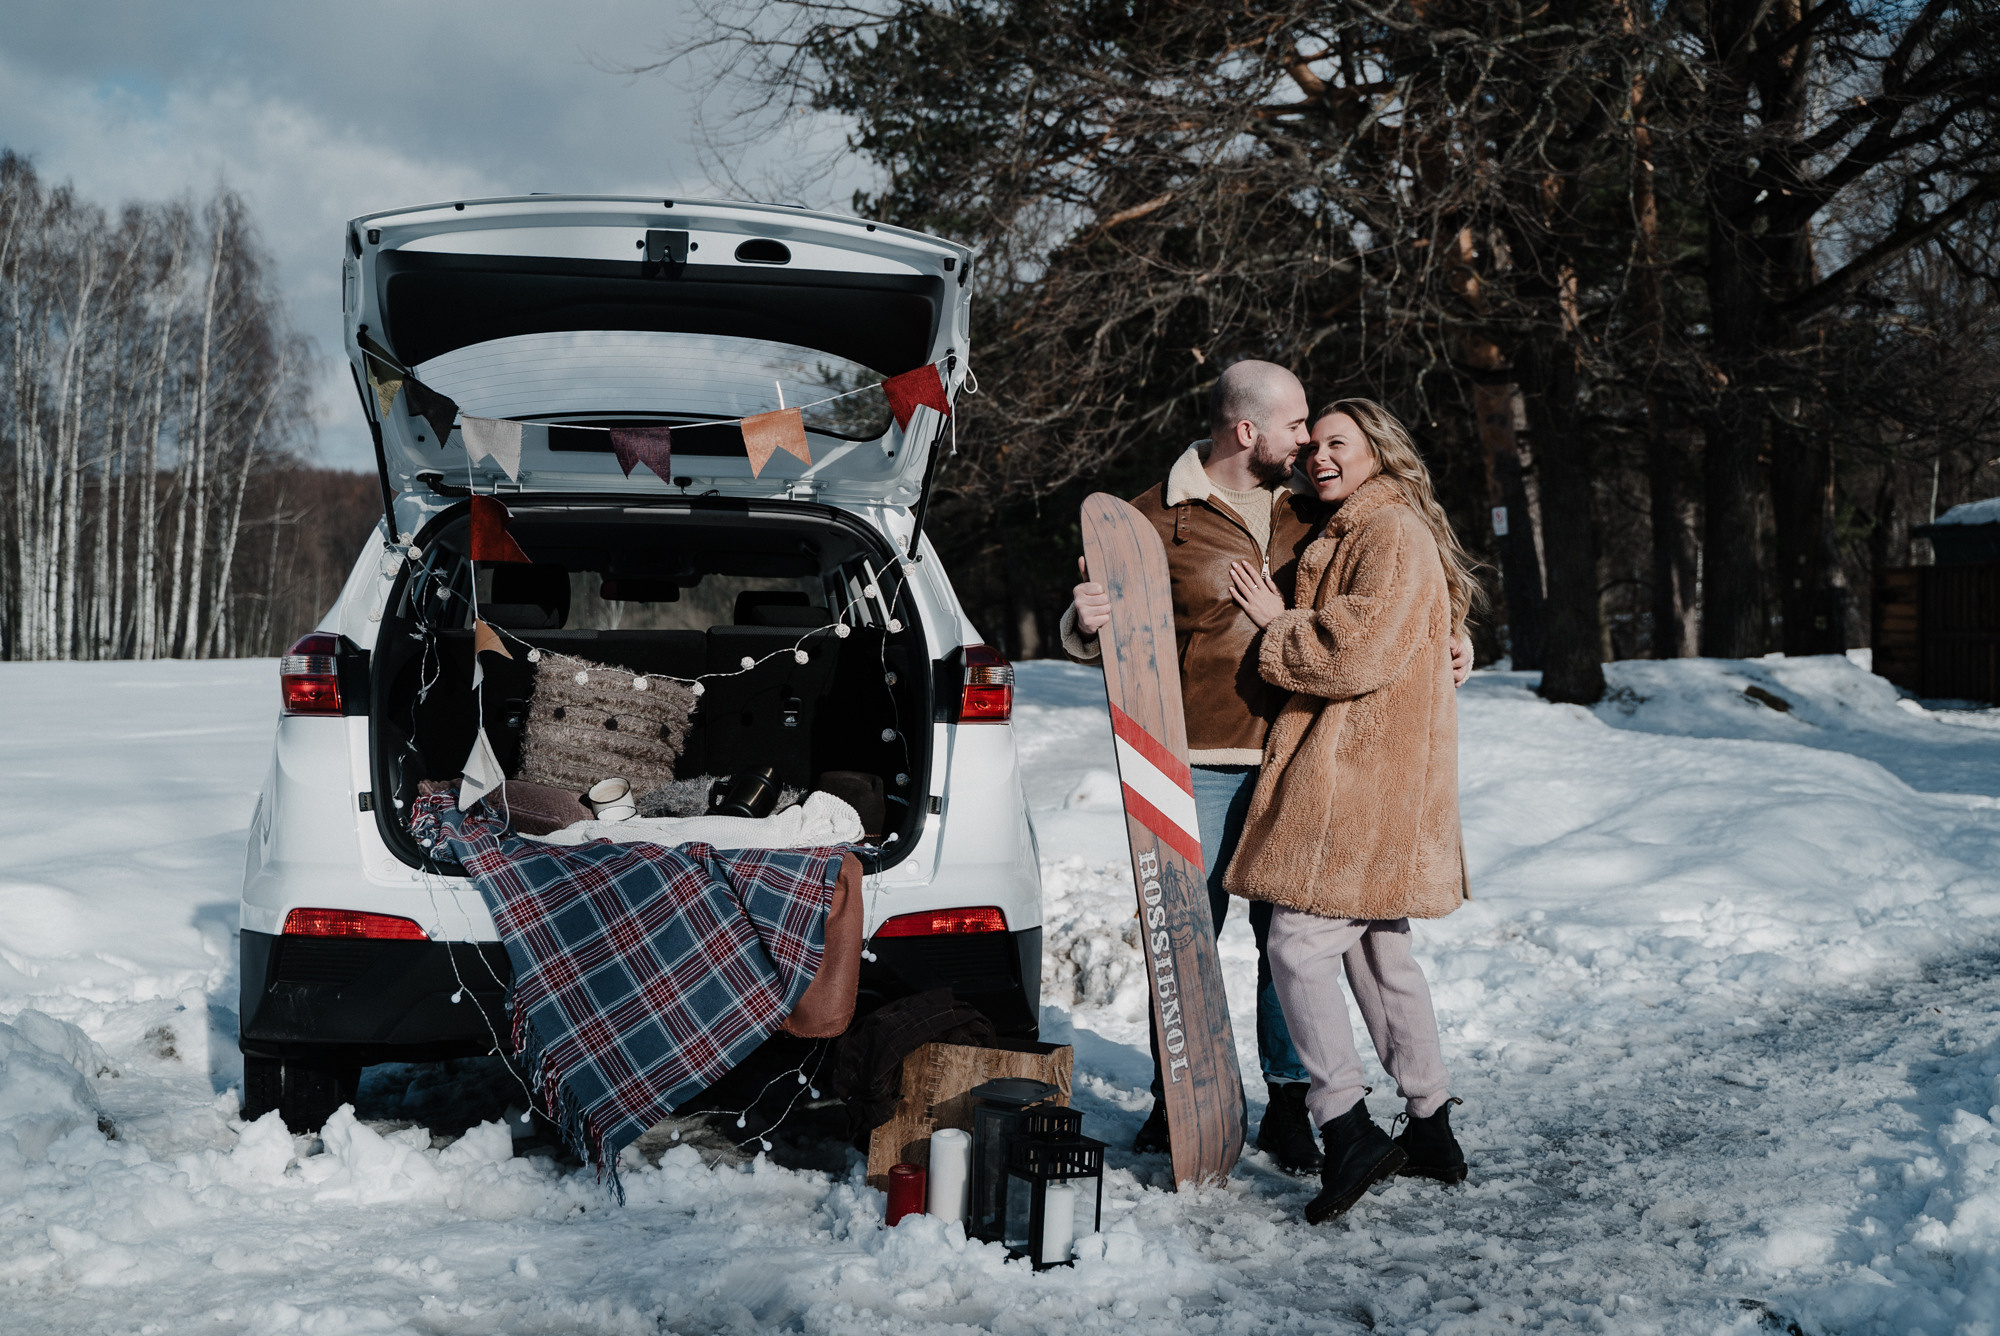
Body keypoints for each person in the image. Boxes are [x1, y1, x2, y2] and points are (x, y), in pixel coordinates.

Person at [1063, 364, 1469, 1175]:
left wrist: (1455, 635)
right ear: (1247, 430)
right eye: (1296, 428)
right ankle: (1179, 1096)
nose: (1309, 444)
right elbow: (1108, 627)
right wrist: (1081, 624)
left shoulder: (1315, 503)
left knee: (1289, 943)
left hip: (1304, 755)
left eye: (1320, 434)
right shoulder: (1154, 518)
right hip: (1198, 761)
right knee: (1186, 937)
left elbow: (1394, 579)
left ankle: (1289, 1104)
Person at [1224, 398, 1481, 1224]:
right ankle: (1432, 1124)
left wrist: (1278, 624)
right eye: (1316, 445)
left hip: (1360, 775)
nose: (1321, 456)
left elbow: (1356, 651)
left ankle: (1344, 1123)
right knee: (1379, 953)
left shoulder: (1386, 530)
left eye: (1340, 442)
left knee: (1296, 943)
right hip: (1384, 771)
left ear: (1379, 449)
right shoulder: (1364, 526)